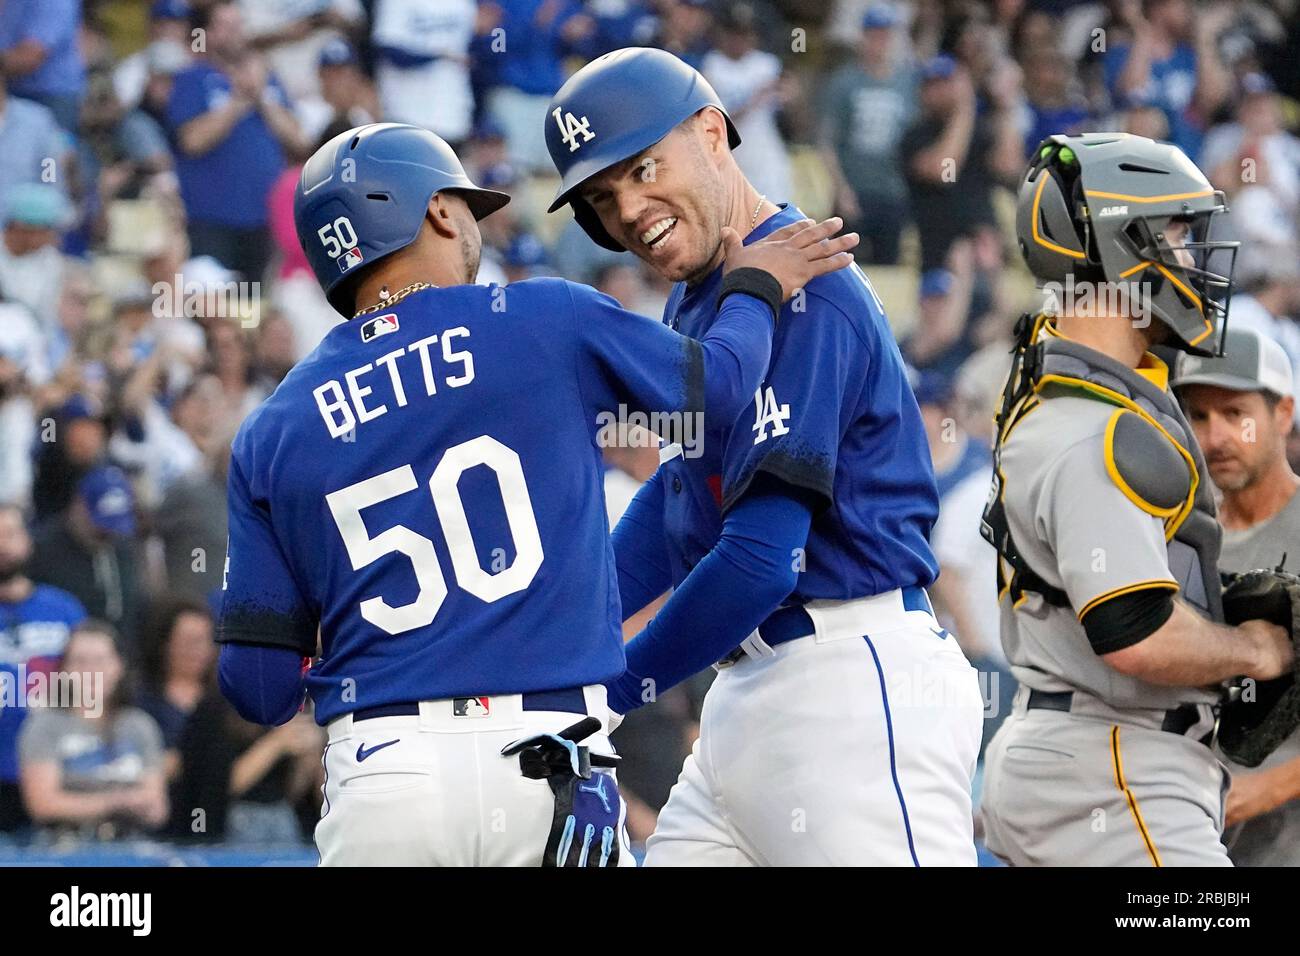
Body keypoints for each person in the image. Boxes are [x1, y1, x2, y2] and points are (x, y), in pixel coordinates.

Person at [216, 122, 855, 866]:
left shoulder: (273, 430)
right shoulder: (540, 317)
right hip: (555, 766)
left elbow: (256, 686)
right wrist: (756, 286)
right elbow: (718, 388)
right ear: (439, 213)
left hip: (385, 770)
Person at [546, 47, 983, 866]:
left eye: (644, 169)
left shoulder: (801, 281)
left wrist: (608, 689)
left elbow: (758, 560)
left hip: (850, 683)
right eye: (603, 198)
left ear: (713, 133)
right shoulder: (706, 293)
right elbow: (677, 496)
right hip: (748, 696)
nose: (630, 209)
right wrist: (571, 621)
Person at [979, 133, 1291, 866]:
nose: (1195, 258)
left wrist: (1214, 601)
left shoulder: (1075, 385)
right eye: (1179, 235)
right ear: (1125, 246)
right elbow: (1135, 632)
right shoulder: (1093, 428)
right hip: (1114, 771)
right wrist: (1255, 647)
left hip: (1087, 759)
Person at [1172, 327, 1300, 866]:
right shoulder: (1173, 540)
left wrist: (1269, 787)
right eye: (1197, 416)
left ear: (1283, 414)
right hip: (1191, 829)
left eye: (1235, 413)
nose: (1216, 435)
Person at [166, 0, 309, 281]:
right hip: (212, 220)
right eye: (225, 26)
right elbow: (192, 141)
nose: (235, 33)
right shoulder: (192, 78)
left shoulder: (265, 78)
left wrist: (259, 97)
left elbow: (298, 139)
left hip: (265, 218)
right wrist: (238, 101)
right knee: (216, 302)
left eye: (238, 25)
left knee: (257, 308)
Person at [18, 620, 168, 839]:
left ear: (119, 666)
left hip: (132, 845)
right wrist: (120, 801)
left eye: (100, 660)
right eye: (80, 661)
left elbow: (157, 809)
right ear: (64, 670)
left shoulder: (140, 725)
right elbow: (44, 804)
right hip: (64, 846)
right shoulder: (44, 726)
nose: (90, 670)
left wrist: (81, 803)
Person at [0, 504, 86, 832]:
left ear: (28, 540)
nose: (2, 545)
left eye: (9, 534)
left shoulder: (64, 609)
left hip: (60, 772)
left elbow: (91, 689)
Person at [819, 4, 918, 264]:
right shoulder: (844, 82)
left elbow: (914, 137)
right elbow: (828, 141)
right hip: (855, 189)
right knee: (847, 266)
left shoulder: (907, 82)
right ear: (863, 37)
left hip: (893, 190)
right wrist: (842, 189)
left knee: (890, 268)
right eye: (873, 35)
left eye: (885, 35)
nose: (879, 42)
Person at [28, 466, 140, 641]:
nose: (107, 533)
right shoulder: (41, 550)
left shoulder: (124, 548)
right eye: (100, 525)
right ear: (79, 506)